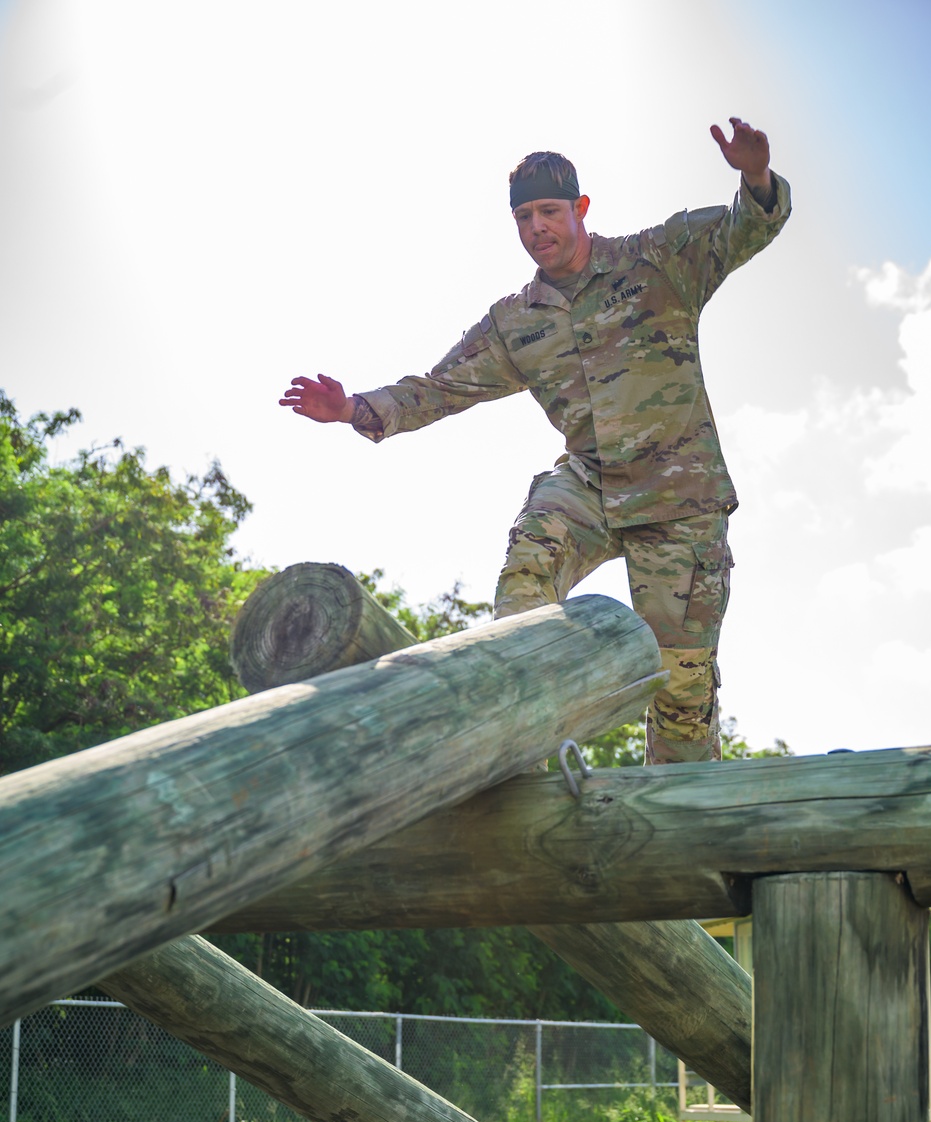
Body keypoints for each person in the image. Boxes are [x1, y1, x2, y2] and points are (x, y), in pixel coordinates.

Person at [280, 119, 791, 763]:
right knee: (527, 574)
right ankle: (524, 747)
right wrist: (355, 407)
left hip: (679, 499)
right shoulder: (515, 322)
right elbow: (440, 387)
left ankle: (680, 813)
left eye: (549, 212)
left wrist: (755, 176)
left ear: (580, 209)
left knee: (679, 691)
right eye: (522, 218)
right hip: (590, 486)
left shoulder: (659, 260)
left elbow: (746, 227)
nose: (536, 229)